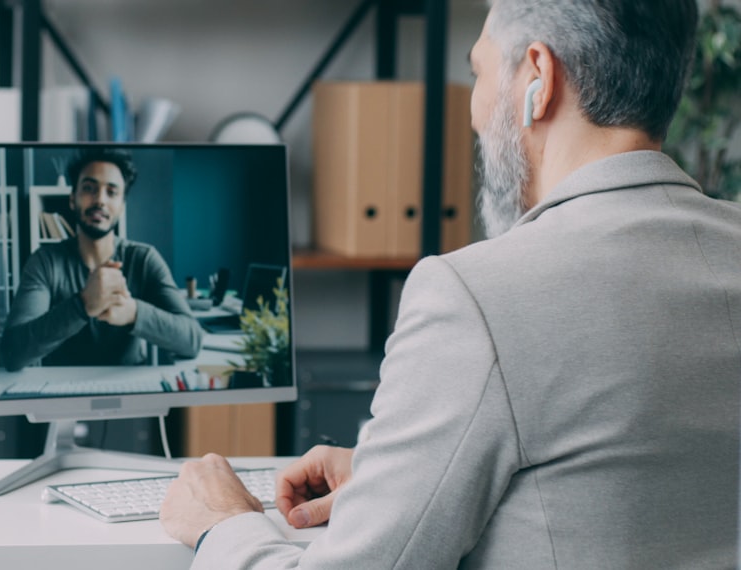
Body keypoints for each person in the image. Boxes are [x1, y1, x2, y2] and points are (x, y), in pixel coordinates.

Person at [160, 1, 741, 567]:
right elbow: (624, 481)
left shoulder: (476, 294)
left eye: (479, 70)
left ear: (538, 76)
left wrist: (224, 525)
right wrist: (401, 479)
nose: (474, 111)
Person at [0, 148, 203, 370]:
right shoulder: (45, 262)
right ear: (72, 199)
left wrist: (133, 313)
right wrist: (83, 305)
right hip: (61, 395)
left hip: (130, 396)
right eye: (89, 188)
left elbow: (192, 340)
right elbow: (12, 354)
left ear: (122, 207)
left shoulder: (144, 259)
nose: (100, 200)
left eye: (112, 192)